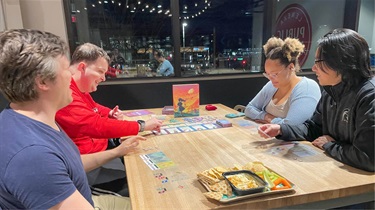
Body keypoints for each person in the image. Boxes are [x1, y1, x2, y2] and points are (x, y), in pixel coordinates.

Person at [0, 29, 141, 209]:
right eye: (66, 69)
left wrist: (117, 151)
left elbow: (69, 164)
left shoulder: (28, 121)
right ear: (42, 82)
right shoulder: (32, 155)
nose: (71, 77)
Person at [258, 29, 374, 172]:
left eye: (319, 62)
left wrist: (330, 145)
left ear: (341, 62)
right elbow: (314, 128)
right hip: (336, 169)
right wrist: (281, 129)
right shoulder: (330, 91)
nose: (314, 68)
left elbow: (368, 158)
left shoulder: (369, 96)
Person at [55, 43, 162, 194]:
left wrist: (110, 113)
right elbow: (96, 125)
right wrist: (141, 125)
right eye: (100, 71)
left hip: (101, 155)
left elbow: (94, 108)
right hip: (90, 170)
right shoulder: (66, 93)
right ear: (81, 67)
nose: (104, 78)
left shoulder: (77, 89)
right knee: (142, 186)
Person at [245, 37, 321, 125]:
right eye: (267, 74)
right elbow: (249, 108)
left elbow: (292, 126)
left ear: (291, 67)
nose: (270, 78)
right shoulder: (271, 85)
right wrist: (267, 117)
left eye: (274, 74)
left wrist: (271, 121)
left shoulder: (307, 87)